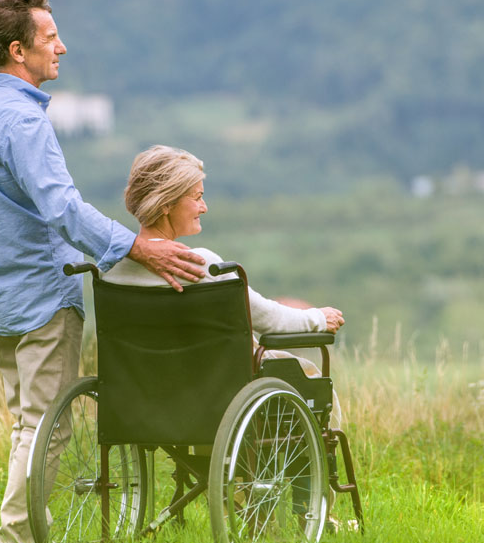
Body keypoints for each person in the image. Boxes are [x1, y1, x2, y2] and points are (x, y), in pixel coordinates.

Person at [0, 0, 204, 543]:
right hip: (43, 295)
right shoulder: (23, 124)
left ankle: (20, 542)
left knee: (25, 427)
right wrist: (138, 246)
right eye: (49, 39)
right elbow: (63, 209)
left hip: (0, 294)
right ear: (18, 51)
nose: (61, 47)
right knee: (45, 431)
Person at [103, 145, 345, 389]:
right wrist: (317, 318)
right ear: (166, 204)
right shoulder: (199, 264)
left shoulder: (110, 269)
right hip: (207, 390)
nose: (204, 207)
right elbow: (267, 319)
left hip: (140, 391)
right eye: (197, 197)